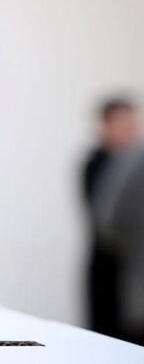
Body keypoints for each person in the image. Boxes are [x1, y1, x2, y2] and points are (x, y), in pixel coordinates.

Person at [83, 97, 144, 344]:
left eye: (133, 122)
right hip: (108, 263)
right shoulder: (96, 164)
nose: (131, 128)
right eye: (123, 122)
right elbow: (106, 221)